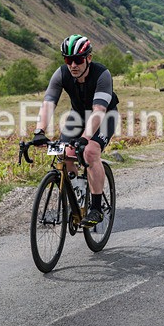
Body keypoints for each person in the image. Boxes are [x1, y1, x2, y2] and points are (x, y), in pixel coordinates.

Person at [32, 35, 119, 227]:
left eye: (78, 60)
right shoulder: (61, 74)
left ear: (88, 58)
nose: (73, 65)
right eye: (68, 60)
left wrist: (86, 138)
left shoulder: (102, 74)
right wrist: (39, 131)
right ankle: (77, 199)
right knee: (65, 152)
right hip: (78, 116)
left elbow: (98, 111)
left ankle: (95, 208)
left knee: (90, 151)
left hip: (105, 116)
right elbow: (48, 103)